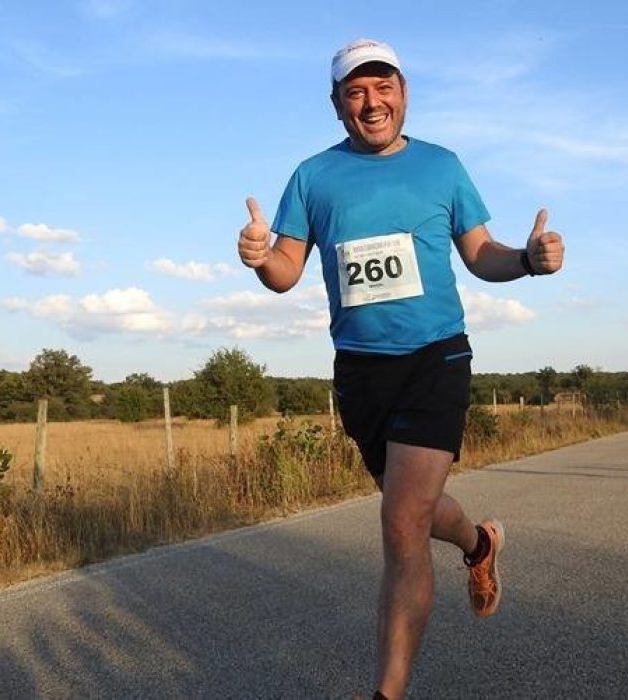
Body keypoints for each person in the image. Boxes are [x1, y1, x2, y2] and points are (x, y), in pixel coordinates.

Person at [237, 38, 564, 700]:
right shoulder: (313, 176)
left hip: (434, 357)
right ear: (337, 105)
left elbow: (481, 254)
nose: (371, 102)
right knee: (410, 510)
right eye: (355, 91)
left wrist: (528, 261)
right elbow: (286, 271)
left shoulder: (442, 166)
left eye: (383, 86)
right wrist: (260, 256)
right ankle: (478, 543)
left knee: (399, 526)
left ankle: (386, 692)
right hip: (361, 370)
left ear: (404, 93)